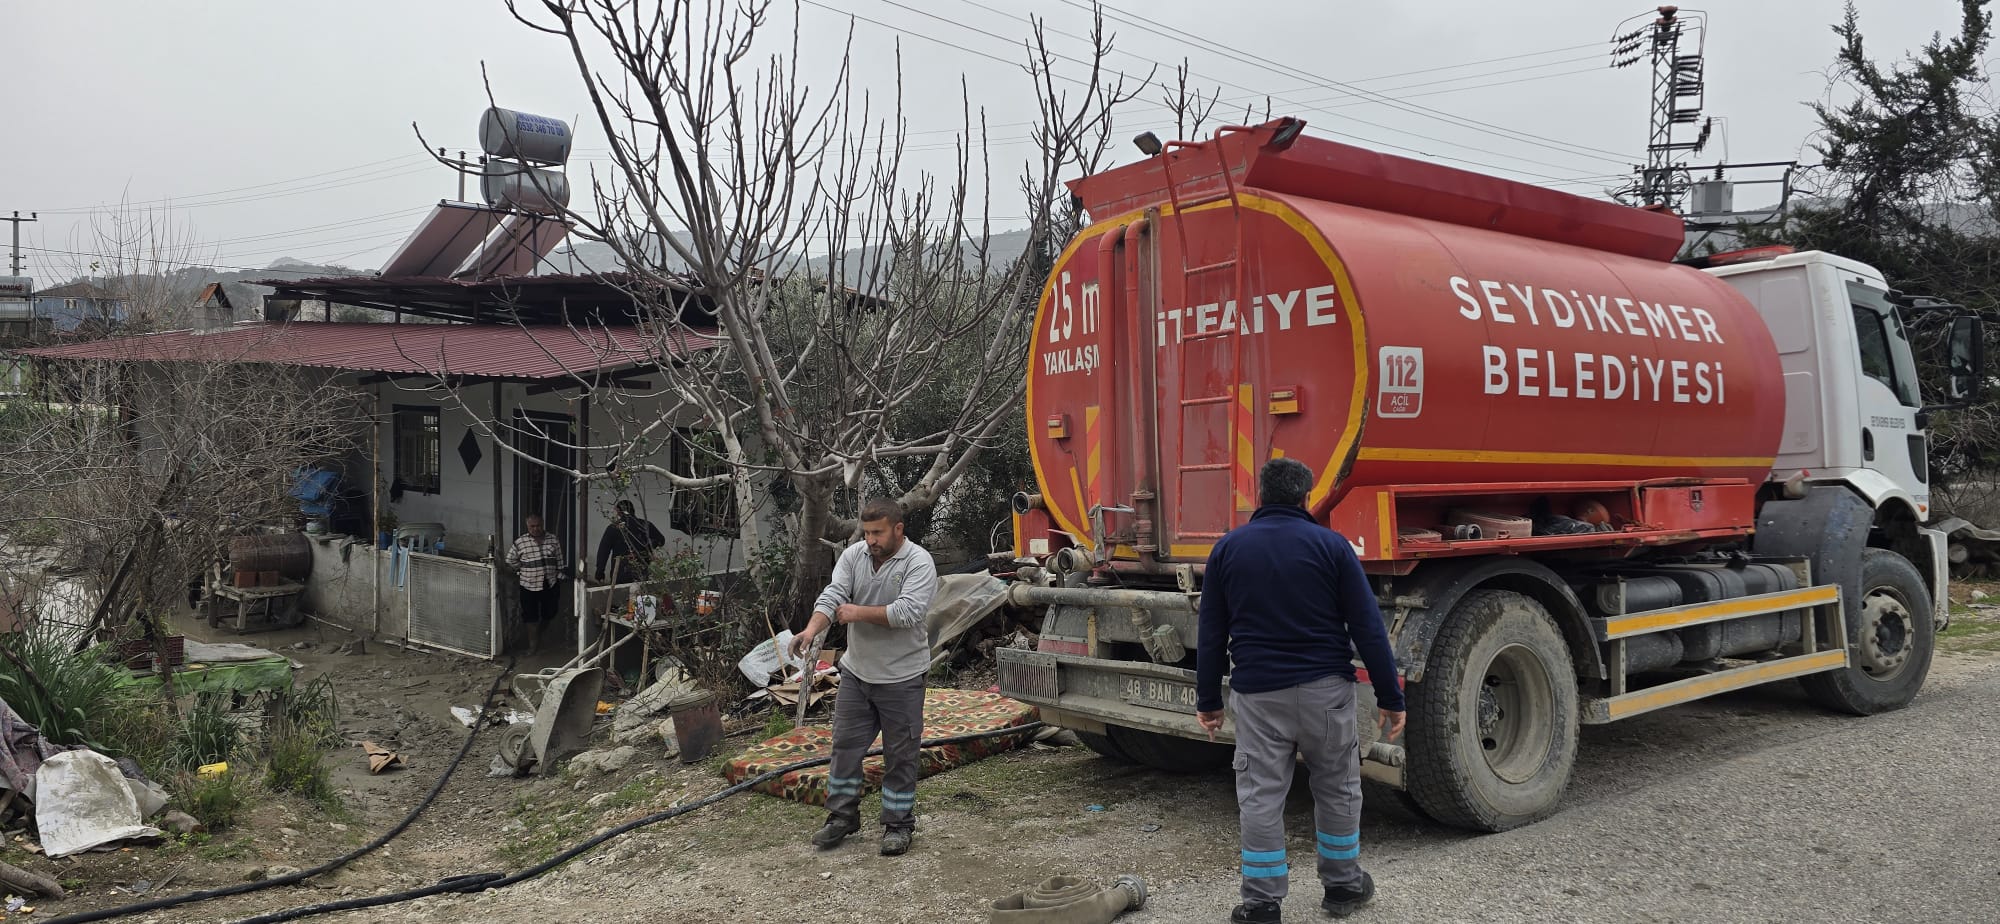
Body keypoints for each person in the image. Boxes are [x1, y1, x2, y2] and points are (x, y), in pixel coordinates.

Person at [1195, 458, 1407, 923]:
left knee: (1261, 795)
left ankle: (1262, 903)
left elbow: (1211, 632)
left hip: (1258, 698)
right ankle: (1343, 887)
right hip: (1325, 694)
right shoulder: (1332, 546)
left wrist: (1207, 701)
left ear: (1262, 496)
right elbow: (1368, 627)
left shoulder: (1228, 550)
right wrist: (1392, 697)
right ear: (1305, 497)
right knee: (1337, 787)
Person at [788, 498, 938, 857]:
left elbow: (908, 612)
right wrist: (811, 631)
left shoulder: (919, 561)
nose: (870, 539)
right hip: (857, 673)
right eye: (867, 532)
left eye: (878, 532)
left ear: (898, 529)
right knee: (844, 747)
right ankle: (841, 817)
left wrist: (856, 613)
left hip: (902, 676)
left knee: (901, 755)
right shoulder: (854, 556)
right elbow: (833, 595)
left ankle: (898, 824)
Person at [505, 514, 566, 655]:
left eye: (538, 525)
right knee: (530, 616)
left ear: (542, 524)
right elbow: (510, 560)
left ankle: (539, 633)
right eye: (532, 526)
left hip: (549, 583)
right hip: (529, 584)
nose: (536, 529)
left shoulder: (553, 539)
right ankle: (533, 645)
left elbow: (559, 559)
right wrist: (523, 569)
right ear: (528, 527)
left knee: (550, 612)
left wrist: (560, 574)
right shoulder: (520, 542)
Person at [593, 499, 667, 585]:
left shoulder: (613, 528)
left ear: (618, 511)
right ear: (633, 510)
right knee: (640, 596)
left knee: (621, 597)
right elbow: (661, 540)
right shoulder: (645, 525)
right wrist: (647, 547)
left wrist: (600, 573)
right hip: (641, 569)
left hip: (620, 572)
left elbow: (603, 552)